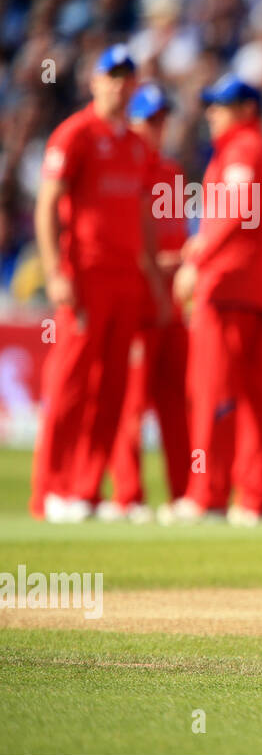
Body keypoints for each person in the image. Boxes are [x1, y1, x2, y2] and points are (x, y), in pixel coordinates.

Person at [30, 45, 168, 522]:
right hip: (85, 277)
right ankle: (52, 490)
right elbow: (48, 204)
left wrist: (151, 275)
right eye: (111, 75)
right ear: (95, 81)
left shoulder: (135, 145)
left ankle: (87, 492)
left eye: (127, 76)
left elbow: (144, 214)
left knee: (112, 390)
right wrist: (54, 272)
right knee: (70, 385)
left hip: (126, 280)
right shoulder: (75, 134)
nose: (119, 84)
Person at [163, 75, 262, 525]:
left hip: (229, 288)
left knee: (213, 391)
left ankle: (208, 493)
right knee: (252, 398)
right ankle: (253, 498)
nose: (212, 113)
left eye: (222, 105)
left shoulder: (243, 149)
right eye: (211, 105)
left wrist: (198, 259)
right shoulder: (259, 151)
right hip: (255, 290)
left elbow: (236, 209)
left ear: (248, 109)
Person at [101, 83, 191, 522]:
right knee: (131, 403)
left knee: (177, 403)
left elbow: (179, 234)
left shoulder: (172, 172)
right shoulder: (128, 167)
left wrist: (182, 263)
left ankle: (183, 495)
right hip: (139, 303)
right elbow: (129, 237)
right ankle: (128, 496)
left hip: (172, 307)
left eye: (161, 119)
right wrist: (157, 271)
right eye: (149, 120)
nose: (157, 128)